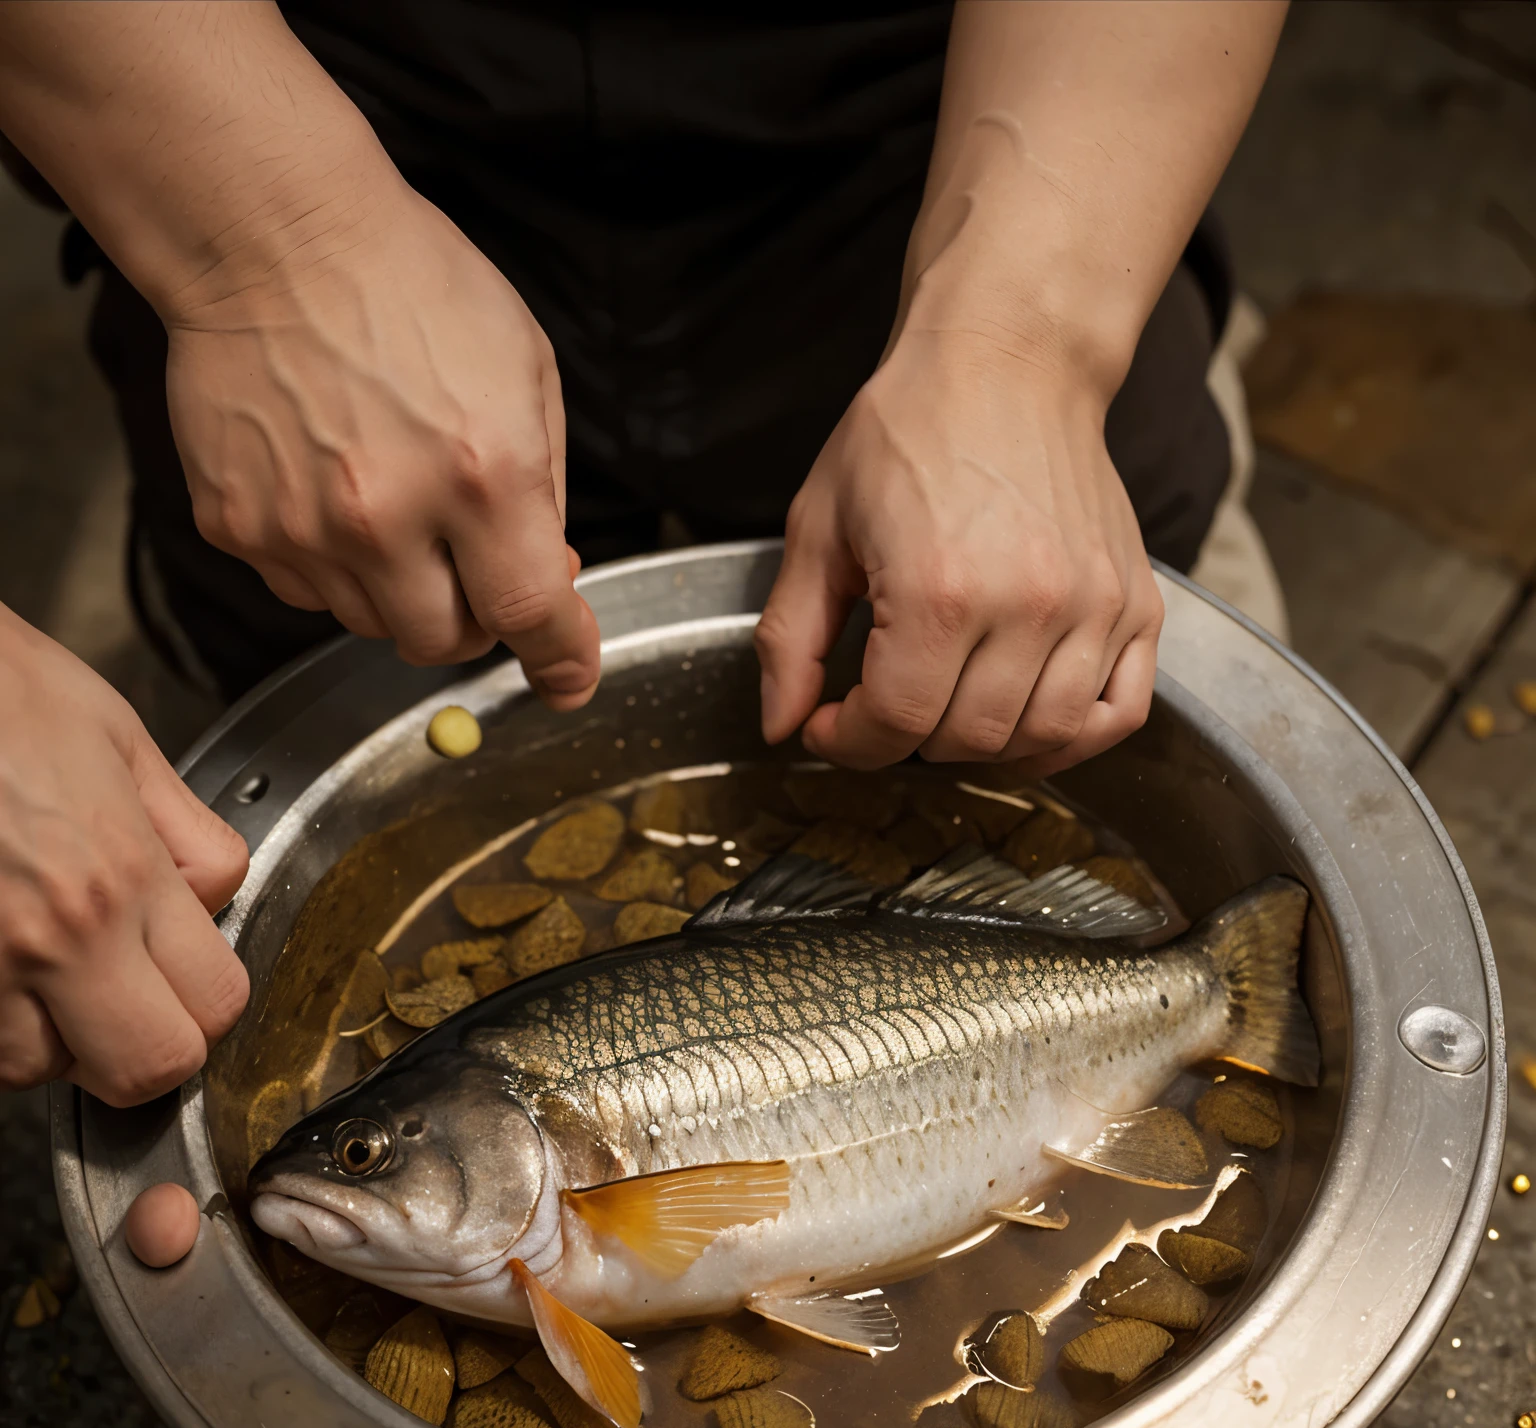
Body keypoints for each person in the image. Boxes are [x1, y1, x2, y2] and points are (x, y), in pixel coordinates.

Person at [0, 1, 1287, 1262]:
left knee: (1114, 691)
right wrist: (259, 239)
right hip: (257, 146)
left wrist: (1027, 343)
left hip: (1002, 153)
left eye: (368, 1154)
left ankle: (1227, 985)